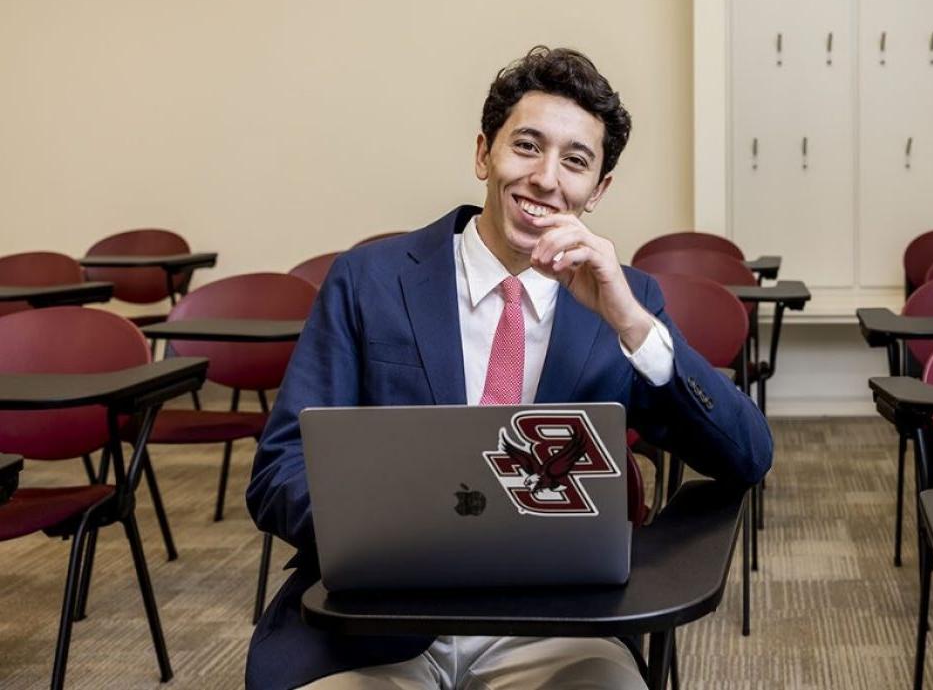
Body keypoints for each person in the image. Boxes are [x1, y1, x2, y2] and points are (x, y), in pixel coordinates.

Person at [246, 46, 773, 690]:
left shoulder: (625, 305)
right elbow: (278, 472)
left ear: (598, 190)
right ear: (482, 155)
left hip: (554, 624)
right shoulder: (369, 281)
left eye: (575, 162)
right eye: (527, 146)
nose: (547, 179)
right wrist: (394, 528)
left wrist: (634, 323)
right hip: (377, 618)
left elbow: (748, 456)